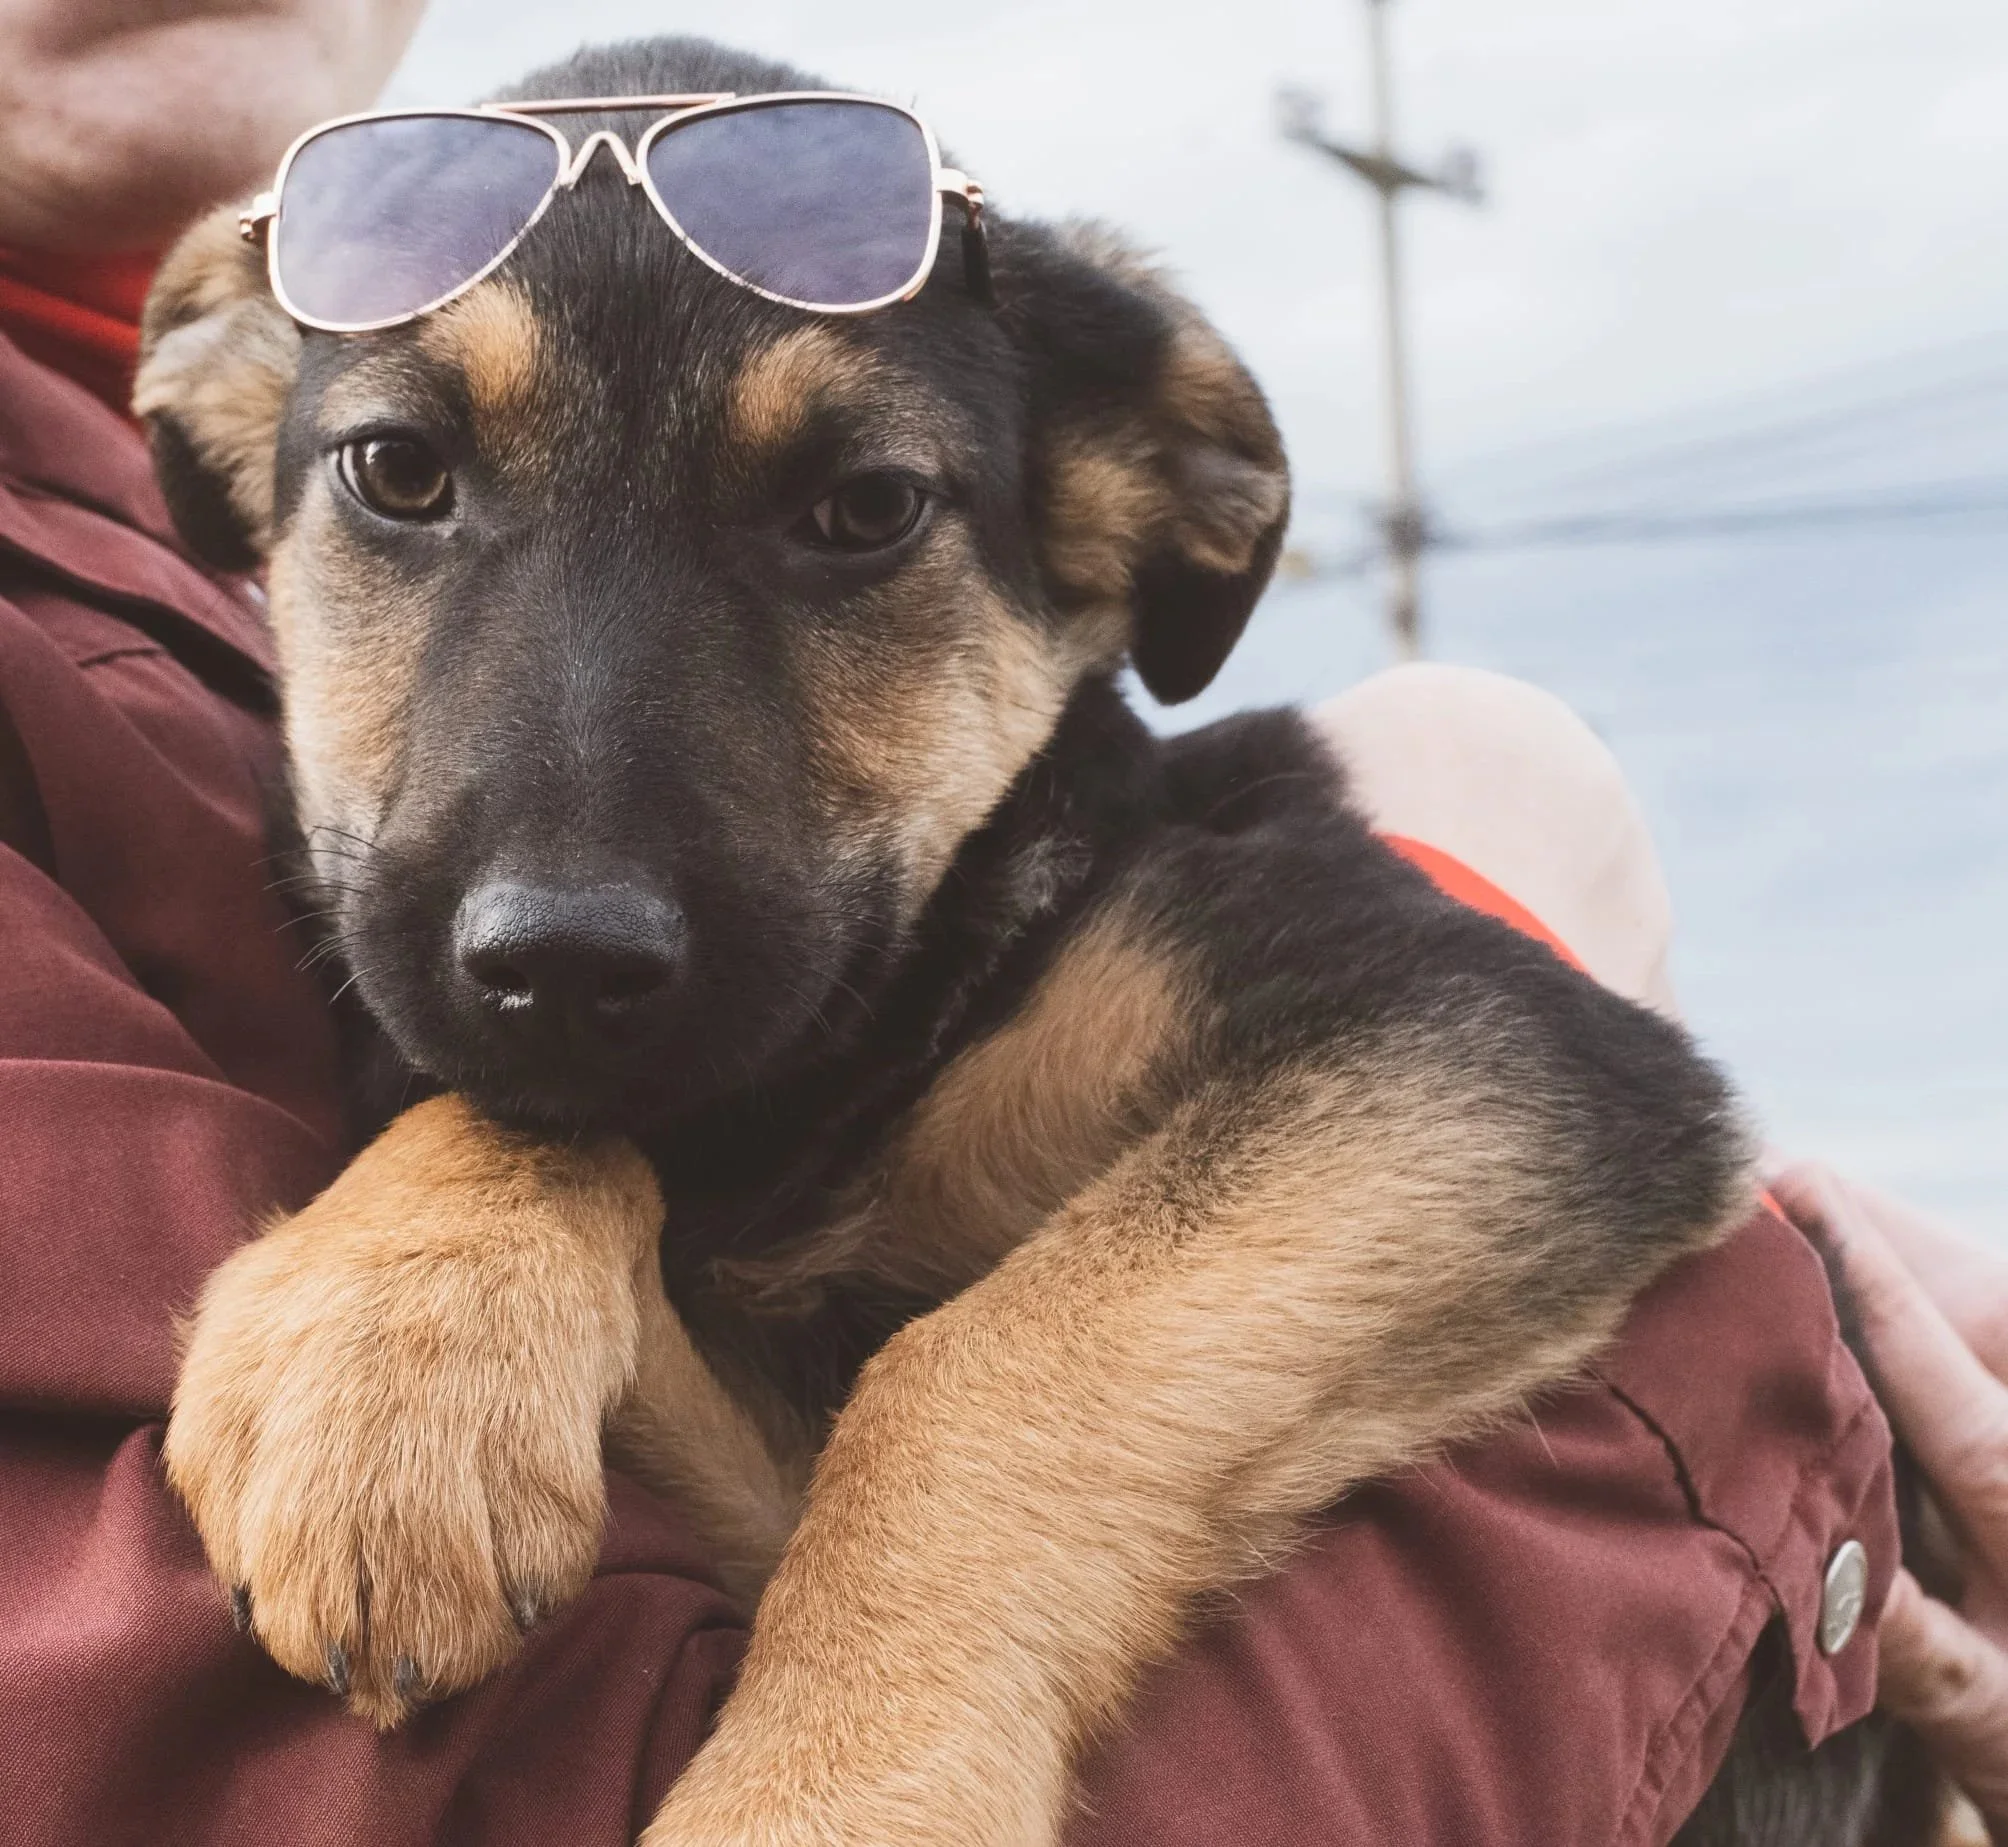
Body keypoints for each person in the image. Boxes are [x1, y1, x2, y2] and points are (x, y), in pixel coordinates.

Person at [0, 1, 1982, 1840]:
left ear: (1114, 517)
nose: (560, 866)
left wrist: (966, 1513)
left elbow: (1552, 1121)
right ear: (237, 430)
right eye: (403, 474)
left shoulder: (1115, 928)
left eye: (855, 513)